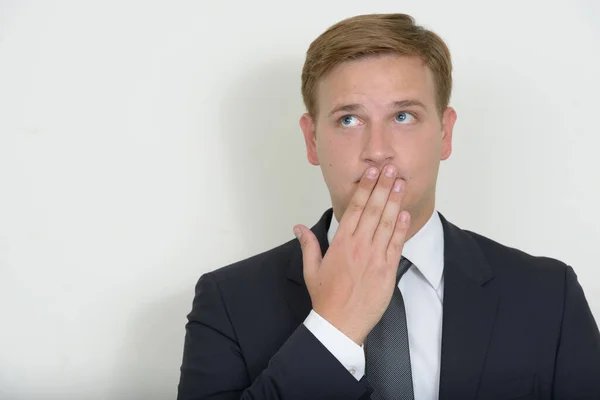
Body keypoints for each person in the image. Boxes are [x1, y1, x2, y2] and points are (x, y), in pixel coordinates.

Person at [176, 13, 600, 400]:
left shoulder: (550, 296)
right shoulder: (227, 302)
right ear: (311, 140)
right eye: (349, 119)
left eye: (403, 116)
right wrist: (334, 329)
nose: (377, 151)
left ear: (445, 134)